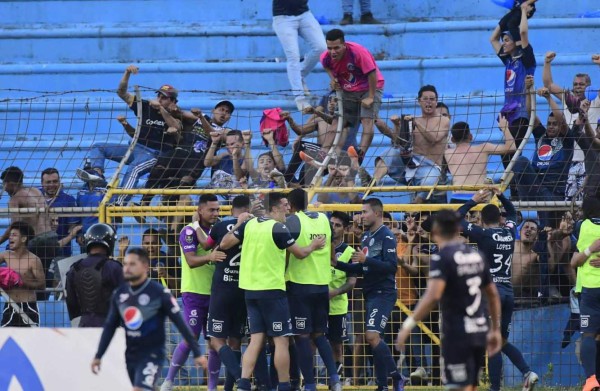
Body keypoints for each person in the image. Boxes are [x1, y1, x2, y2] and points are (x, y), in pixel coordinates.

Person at [218, 192, 325, 391]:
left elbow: (224, 244)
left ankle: (243, 384)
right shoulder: (278, 228)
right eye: (284, 205)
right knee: (281, 340)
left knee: (256, 339)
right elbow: (300, 254)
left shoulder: (250, 225)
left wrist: (239, 224)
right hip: (272, 292)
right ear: (274, 208)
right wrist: (314, 245)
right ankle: (284, 385)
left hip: (250, 291)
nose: (287, 208)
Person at [395, 210, 503, 391]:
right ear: (458, 229)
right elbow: (492, 294)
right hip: (478, 330)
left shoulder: (442, 257)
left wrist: (408, 325)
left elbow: (433, 295)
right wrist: (495, 330)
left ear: (435, 231)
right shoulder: (477, 256)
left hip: (457, 333)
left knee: (455, 386)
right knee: (470, 385)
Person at [91, 248, 207, 391]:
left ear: (145, 266)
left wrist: (197, 352)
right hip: (131, 355)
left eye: (132, 264)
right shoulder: (120, 294)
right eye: (125, 264)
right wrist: (98, 355)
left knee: (140, 388)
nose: (127, 268)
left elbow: (181, 324)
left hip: (152, 354)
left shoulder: (158, 292)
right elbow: (109, 327)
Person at [457, 188, 539, 391]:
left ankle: (511, 379)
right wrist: (501, 195)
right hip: (507, 293)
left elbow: (457, 218)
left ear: (483, 221)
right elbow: (512, 213)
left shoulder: (482, 234)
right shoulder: (510, 232)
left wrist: (473, 200)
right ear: (500, 220)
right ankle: (523, 374)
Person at [79, 65, 181, 207]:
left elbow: (175, 127)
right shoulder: (145, 106)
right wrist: (127, 73)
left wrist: (162, 110)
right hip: (135, 147)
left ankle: (119, 204)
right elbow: (121, 92)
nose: (160, 99)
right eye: (159, 95)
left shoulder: (177, 114)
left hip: (154, 154)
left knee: (134, 169)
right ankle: (97, 175)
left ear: (173, 101)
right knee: (99, 147)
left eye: (165, 98)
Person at [331, 198, 404, 391]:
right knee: (375, 339)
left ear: (377, 213)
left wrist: (367, 260)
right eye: (361, 212)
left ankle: (396, 376)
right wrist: (338, 264)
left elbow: (391, 267)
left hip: (384, 293)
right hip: (370, 293)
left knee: (371, 336)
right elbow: (360, 268)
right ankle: (382, 386)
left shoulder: (387, 236)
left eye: (364, 212)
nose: (361, 216)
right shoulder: (365, 237)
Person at [161, 194, 225, 391]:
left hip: (216, 293)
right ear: (200, 210)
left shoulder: (219, 229)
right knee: (191, 337)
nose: (216, 213)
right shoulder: (189, 231)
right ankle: (169, 381)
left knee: (214, 342)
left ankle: (212, 387)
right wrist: (211, 256)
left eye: (217, 209)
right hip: (195, 293)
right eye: (211, 210)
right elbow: (190, 260)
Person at [285, 188, 340, 391]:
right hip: (321, 285)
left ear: (290, 205)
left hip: (300, 286)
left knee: (302, 337)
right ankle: (335, 379)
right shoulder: (324, 219)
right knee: (320, 335)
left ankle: (309, 384)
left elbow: (286, 251)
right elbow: (332, 248)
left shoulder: (293, 221)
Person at [139, 100, 236, 208]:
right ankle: (144, 203)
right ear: (213, 110)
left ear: (229, 117)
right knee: (159, 169)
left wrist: (201, 117)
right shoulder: (201, 118)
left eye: (227, 112)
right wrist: (168, 108)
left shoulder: (227, 131)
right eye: (221, 110)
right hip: (181, 151)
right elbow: (180, 113)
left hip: (197, 160)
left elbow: (212, 134)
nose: (223, 113)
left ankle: (169, 214)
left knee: (184, 184)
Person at [202, 195, 252, 391]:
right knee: (236, 341)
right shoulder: (254, 226)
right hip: (243, 289)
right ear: (248, 208)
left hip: (222, 288)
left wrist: (196, 228)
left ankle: (240, 379)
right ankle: (232, 387)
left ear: (232, 209)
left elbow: (207, 245)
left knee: (216, 340)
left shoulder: (220, 227)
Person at [489, 0, 536, 198]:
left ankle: (518, 193)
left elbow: (523, 33)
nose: (503, 42)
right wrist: (513, 13)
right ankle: (515, 193)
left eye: (507, 40)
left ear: (515, 43)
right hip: (508, 113)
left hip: (522, 113)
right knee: (508, 155)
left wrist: (524, 12)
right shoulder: (508, 59)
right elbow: (493, 38)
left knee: (512, 152)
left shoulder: (526, 59)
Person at [371, 85, 450, 203]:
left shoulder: (443, 120)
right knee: (390, 153)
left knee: (430, 179)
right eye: (425, 99)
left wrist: (417, 123)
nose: (429, 102)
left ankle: (414, 206)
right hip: (410, 163)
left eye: (432, 99)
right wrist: (396, 125)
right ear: (419, 101)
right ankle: (373, 183)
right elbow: (399, 142)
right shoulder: (411, 120)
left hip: (431, 167)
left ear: (436, 102)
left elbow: (434, 138)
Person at [512, 87, 575, 228]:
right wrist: (529, 91)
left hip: (553, 193)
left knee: (548, 230)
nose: (551, 127)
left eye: (555, 124)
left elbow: (561, 119)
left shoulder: (567, 140)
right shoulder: (541, 135)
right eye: (549, 124)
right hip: (535, 187)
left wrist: (548, 98)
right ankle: (523, 203)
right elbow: (530, 113)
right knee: (520, 160)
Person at [321, 28, 385, 161]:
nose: (333, 52)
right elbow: (326, 67)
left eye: (336, 48)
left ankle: (360, 153)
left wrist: (371, 97)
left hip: (370, 86)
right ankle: (322, 153)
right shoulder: (325, 57)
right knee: (337, 121)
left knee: (367, 119)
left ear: (344, 45)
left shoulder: (358, 53)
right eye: (330, 48)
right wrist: (333, 79)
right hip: (349, 90)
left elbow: (372, 74)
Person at [0, 166, 55, 287]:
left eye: (4, 184)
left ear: (10, 183)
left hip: (37, 241)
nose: (4, 188)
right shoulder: (35, 191)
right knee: (44, 274)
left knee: (26, 273)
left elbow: (15, 226)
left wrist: (0, 240)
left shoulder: (15, 199)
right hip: (52, 238)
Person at [272, 0, 327, 112]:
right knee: (293, 56)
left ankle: (300, 73)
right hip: (282, 17)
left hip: (304, 13)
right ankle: (300, 98)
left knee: (322, 48)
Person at [65, 223, 124, 327]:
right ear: (110, 242)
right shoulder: (114, 267)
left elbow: (71, 303)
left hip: (84, 325)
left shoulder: (74, 269)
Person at [444, 117, 516, 202]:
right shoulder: (483, 148)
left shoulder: (447, 153)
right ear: (470, 136)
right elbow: (511, 147)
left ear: (452, 139)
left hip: (457, 198)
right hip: (479, 197)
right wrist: (504, 128)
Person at [569, 196, 600, 391]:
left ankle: (591, 380)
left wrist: (589, 250)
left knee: (588, 335)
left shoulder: (583, 226)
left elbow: (574, 262)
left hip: (589, 289)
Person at [328, 211, 357, 381]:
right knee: (311, 342)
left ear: (345, 229)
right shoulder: (320, 247)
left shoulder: (350, 252)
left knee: (337, 346)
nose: (333, 227)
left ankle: (336, 380)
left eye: (338, 225)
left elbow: (352, 281)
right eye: (331, 223)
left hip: (337, 307)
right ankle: (310, 380)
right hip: (317, 304)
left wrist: (335, 292)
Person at [0, 222, 45, 327]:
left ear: (24, 239)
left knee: (30, 341)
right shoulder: (6, 255)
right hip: (10, 305)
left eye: (14, 235)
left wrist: (21, 282)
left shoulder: (34, 260)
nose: (10, 238)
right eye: (9, 235)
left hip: (28, 306)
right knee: (5, 341)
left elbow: (42, 285)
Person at [40, 167, 79, 257]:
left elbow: (72, 228)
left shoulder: (68, 200)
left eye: (55, 181)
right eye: (48, 182)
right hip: (37, 251)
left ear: (59, 182)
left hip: (61, 253)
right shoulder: (34, 196)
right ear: (42, 183)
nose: (52, 185)